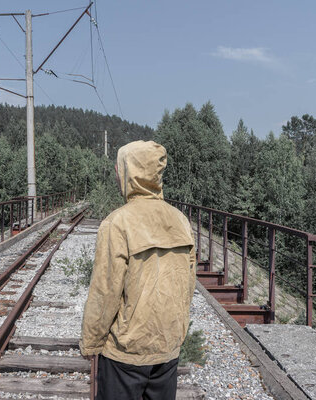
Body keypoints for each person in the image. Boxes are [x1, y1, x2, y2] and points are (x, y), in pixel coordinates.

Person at [80, 140, 197, 400]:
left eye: (119, 168)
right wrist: (178, 332)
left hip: (127, 352)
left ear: (131, 172)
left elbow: (105, 291)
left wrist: (91, 342)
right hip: (167, 348)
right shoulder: (180, 220)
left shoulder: (117, 222)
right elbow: (188, 286)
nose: (115, 173)